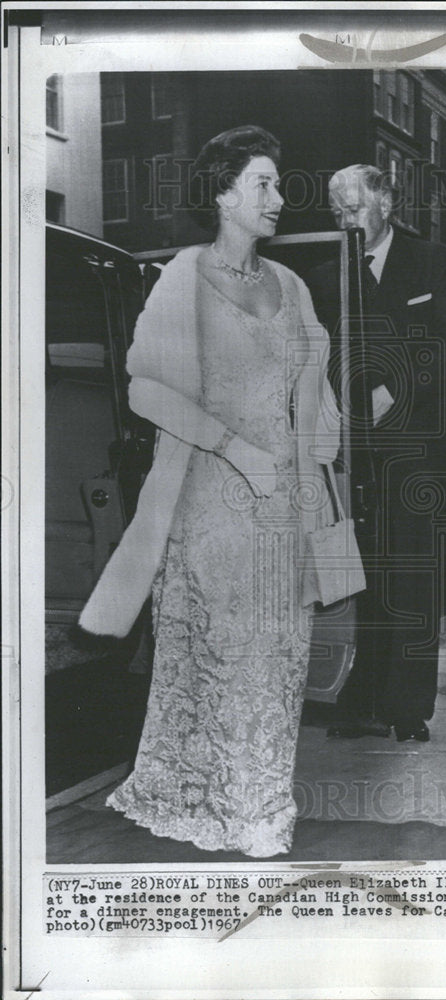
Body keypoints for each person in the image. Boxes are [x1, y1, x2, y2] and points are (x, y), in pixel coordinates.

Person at [79, 126, 341, 855]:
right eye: (263, 183)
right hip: (210, 490)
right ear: (223, 195)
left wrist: (321, 462)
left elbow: (315, 390)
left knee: (280, 655)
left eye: (277, 183)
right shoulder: (182, 277)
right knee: (226, 654)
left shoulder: (291, 284)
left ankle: (257, 797)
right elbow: (145, 390)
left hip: (284, 498)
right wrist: (235, 449)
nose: (278, 197)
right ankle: (238, 805)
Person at [308, 164, 446, 742]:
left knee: (409, 574)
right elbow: (316, 355)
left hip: (416, 446)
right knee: (358, 572)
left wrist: (395, 388)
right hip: (351, 448)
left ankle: (407, 707)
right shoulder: (325, 278)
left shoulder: (434, 262)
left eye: (353, 208)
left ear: (386, 204)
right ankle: (360, 698)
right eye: (336, 211)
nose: (345, 220)